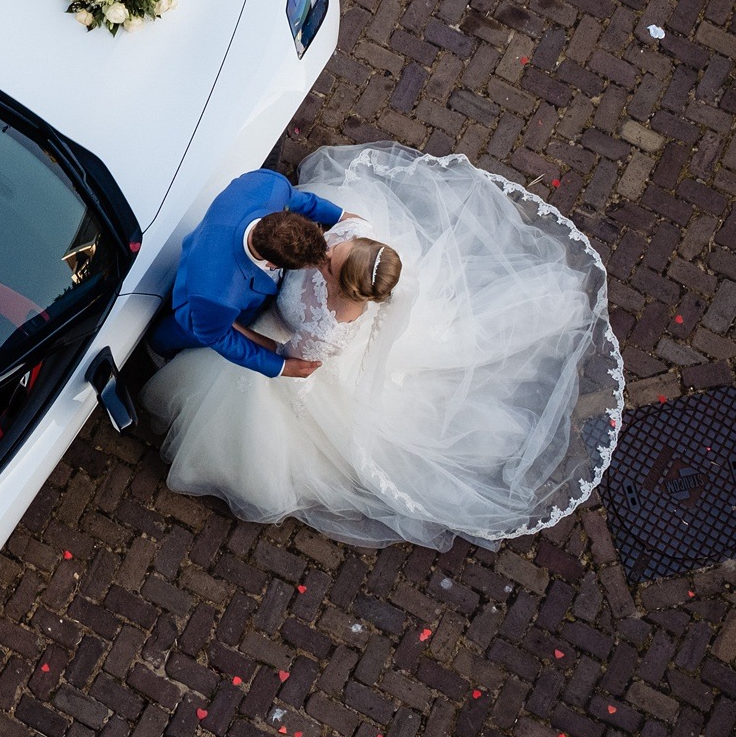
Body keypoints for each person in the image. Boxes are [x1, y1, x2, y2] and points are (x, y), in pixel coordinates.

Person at [140, 142, 626, 550]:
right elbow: (216, 323)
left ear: (349, 289)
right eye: (323, 255)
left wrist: (277, 363)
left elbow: (296, 353)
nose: (323, 256)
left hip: (293, 343)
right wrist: (257, 333)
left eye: (328, 260)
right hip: (211, 292)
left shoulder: (330, 318)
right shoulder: (252, 251)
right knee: (182, 330)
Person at [148, 168, 345, 378]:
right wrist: (280, 367)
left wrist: (342, 216)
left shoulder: (270, 185)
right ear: (271, 264)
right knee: (185, 331)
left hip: (213, 248)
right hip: (198, 299)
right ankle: (155, 347)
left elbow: (300, 200)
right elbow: (217, 337)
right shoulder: (216, 298)